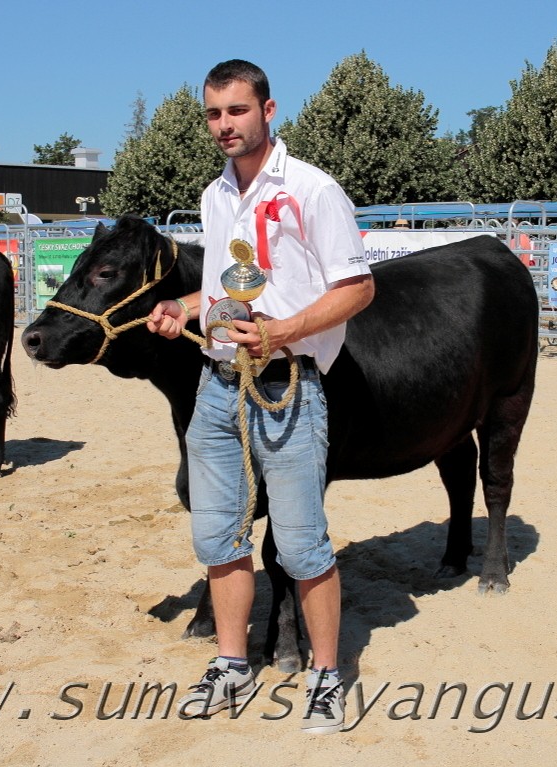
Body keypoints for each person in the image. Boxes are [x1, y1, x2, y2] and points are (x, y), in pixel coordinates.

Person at [146, 59, 374, 734]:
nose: (224, 125)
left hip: (289, 387)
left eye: (236, 111)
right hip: (215, 389)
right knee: (219, 537)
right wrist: (183, 308)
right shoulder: (216, 195)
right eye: (214, 114)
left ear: (268, 111)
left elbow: (358, 288)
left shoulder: (313, 189)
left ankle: (327, 675)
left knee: (303, 546)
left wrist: (282, 331)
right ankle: (231, 663)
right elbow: (224, 288)